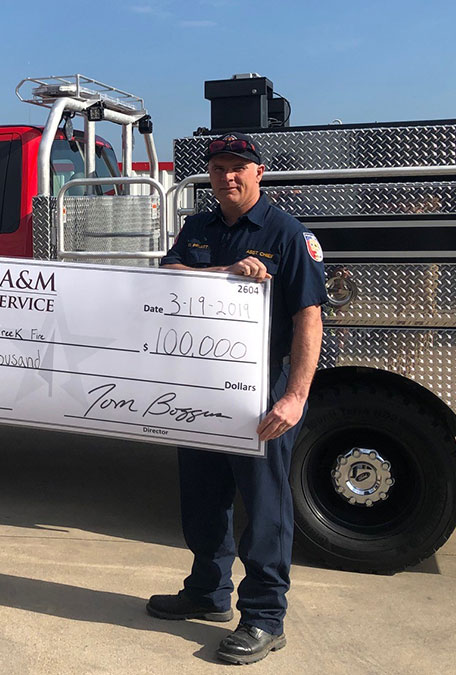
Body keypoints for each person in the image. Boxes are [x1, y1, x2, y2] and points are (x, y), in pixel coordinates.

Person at [148, 133, 326, 665]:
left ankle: (266, 617)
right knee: (202, 493)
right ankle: (207, 591)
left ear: (259, 173)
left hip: (261, 390)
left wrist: (295, 396)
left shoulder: (287, 234)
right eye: (219, 167)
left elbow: (308, 317)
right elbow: (169, 279)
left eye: (238, 168)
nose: (228, 176)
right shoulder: (198, 227)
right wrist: (225, 273)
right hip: (200, 386)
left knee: (265, 503)